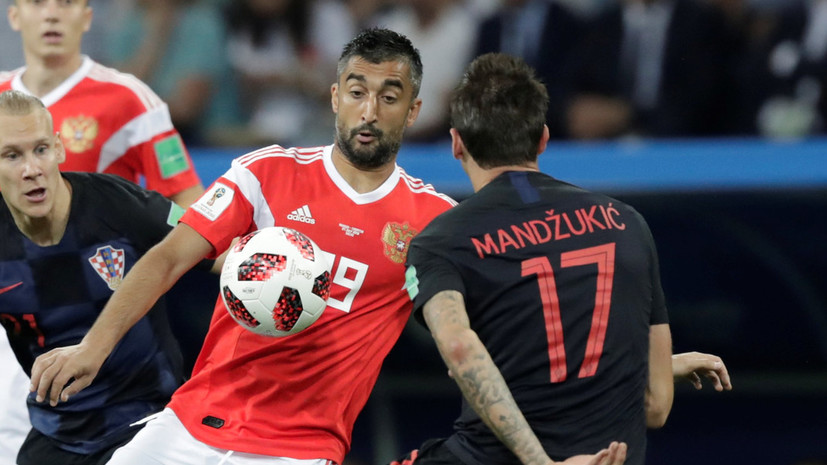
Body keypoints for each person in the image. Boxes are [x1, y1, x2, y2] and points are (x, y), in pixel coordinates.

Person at [27, 28, 457, 465]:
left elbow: (475, 318)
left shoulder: (435, 220)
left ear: (412, 111)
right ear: (335, 97)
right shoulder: (266, 172)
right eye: (357, 92)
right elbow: (169, 257)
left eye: (389, 98)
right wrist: (93, 348)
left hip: (301, 449)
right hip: (192, 422)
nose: (369, 111)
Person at [399, 53, 731, 465]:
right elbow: (655, 405)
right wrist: (660, 366)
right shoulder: (626, 223)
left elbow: (459, 347)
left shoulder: (440, 240)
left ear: (456, 143)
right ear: (543, 138)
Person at [0, 2, 208, 459]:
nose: (51, 15)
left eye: (65, 3)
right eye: (38, 3)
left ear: (87, 15)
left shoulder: (128, 98)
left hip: (109, 288)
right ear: (14, 16)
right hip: (20, 305)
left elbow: (190, 202)